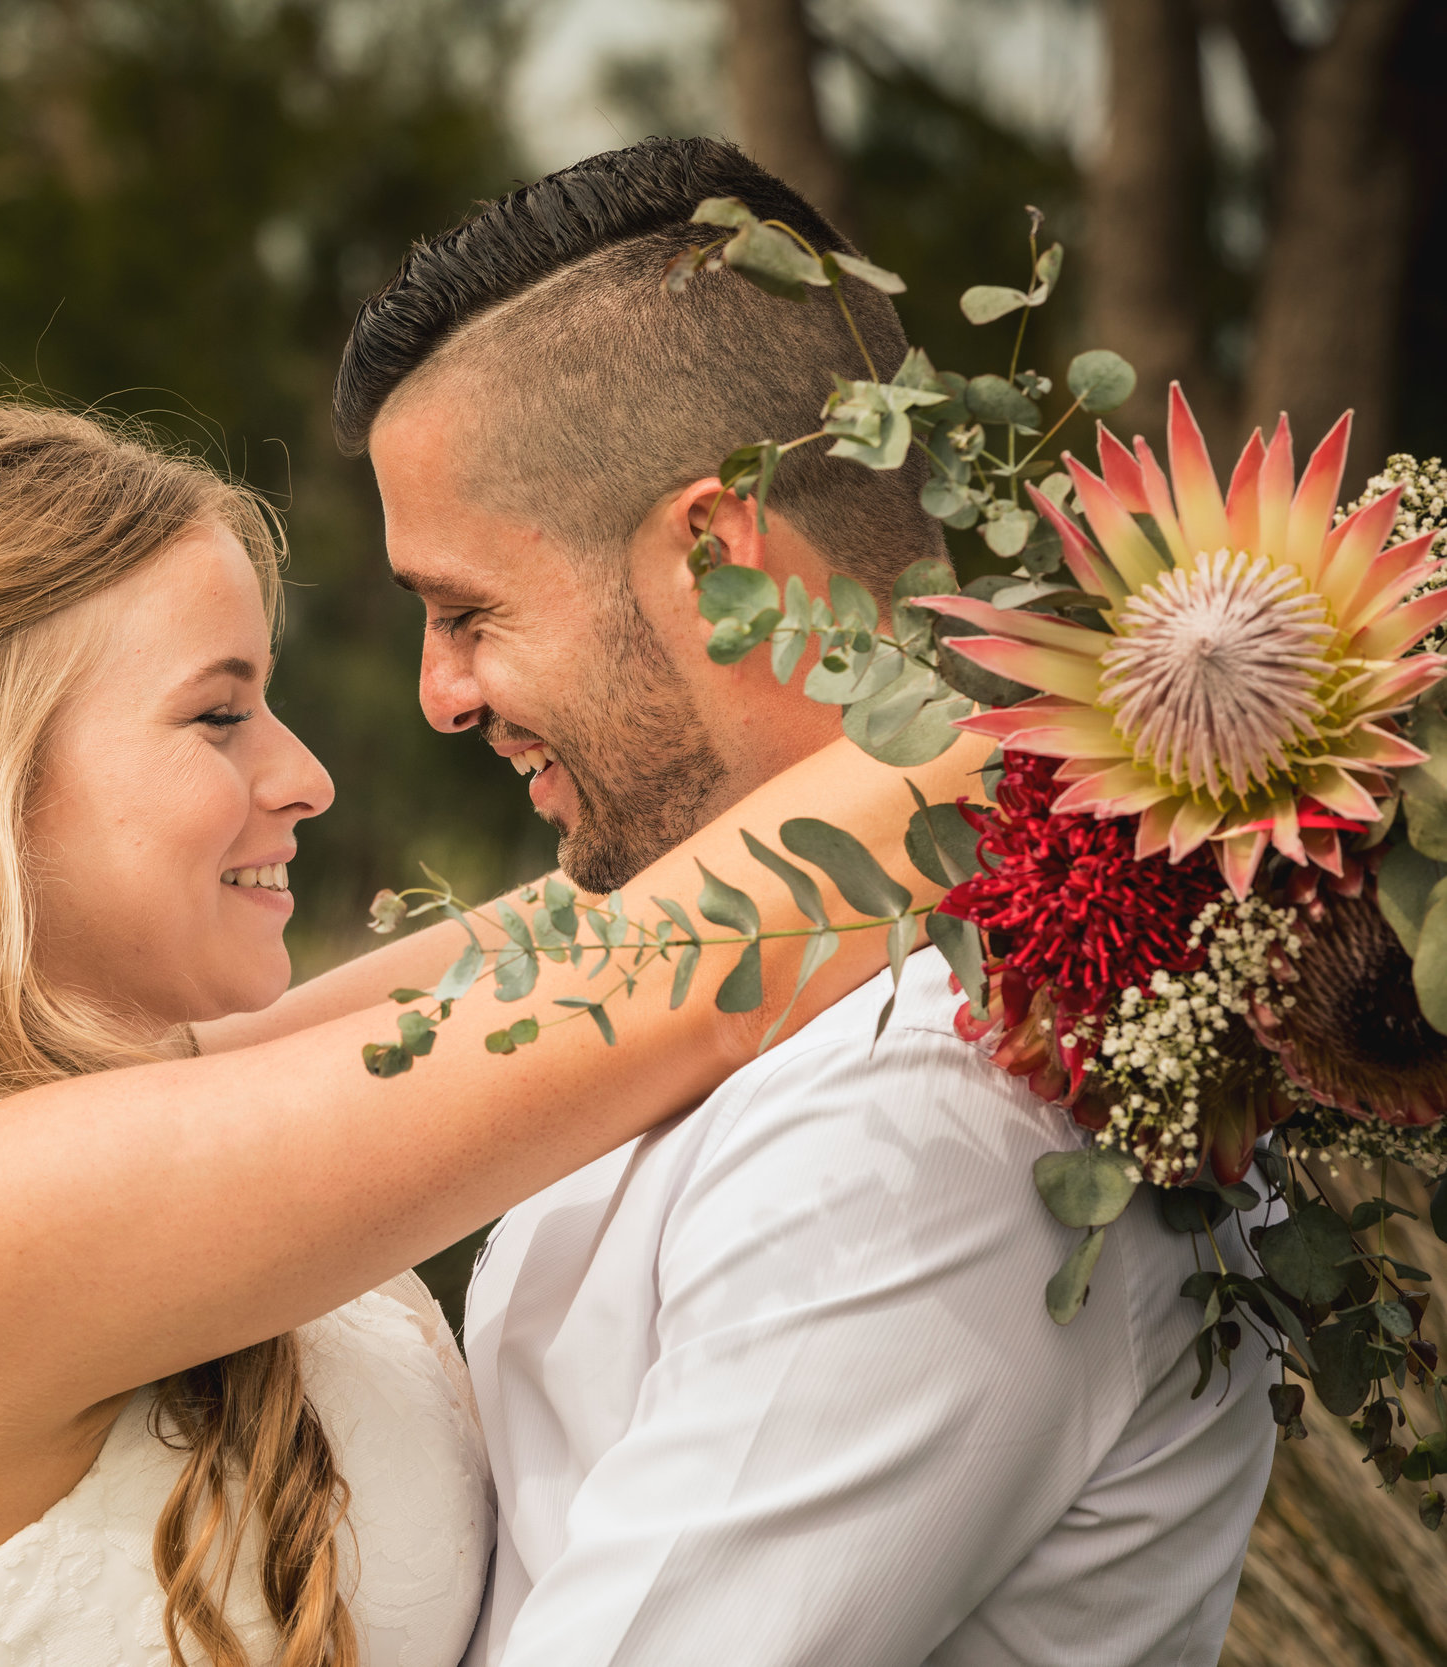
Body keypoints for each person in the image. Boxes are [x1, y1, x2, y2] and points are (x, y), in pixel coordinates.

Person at [0, 391, 978, 1667]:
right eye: (219, 717)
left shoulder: (69, 1128)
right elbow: (676, 975)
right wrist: (1145, 691)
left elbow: (581, 935)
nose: (308, 776)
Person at [333, 136, 1277, 1666]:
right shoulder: (735, 981)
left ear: (714, 555)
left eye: (467, 612)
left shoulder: (928, 1115)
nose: (442, 694)